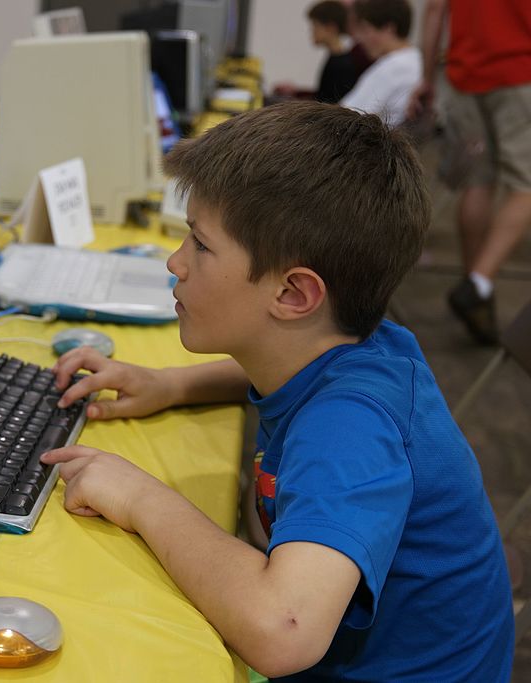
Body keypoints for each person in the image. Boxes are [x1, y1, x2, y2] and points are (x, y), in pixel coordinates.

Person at [42, 102, 513, 680]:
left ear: (293, 295)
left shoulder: (349, 428)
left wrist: (144, 498)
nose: (175, 262)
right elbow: (289, 376)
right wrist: (171, 384)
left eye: (201, 245)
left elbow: (282, 631)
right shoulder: (362, 346)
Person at [409, 0, 531, 344]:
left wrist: (426, 75)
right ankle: (478, 284)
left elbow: (434, 9)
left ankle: (478, 295)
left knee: (477, 184)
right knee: (526, 186)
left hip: (464, 74)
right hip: (522, 71)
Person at [339, 0, 420, 127]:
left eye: (366, 30)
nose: (361, 38)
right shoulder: (416, 59)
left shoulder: (394, 67)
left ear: (389, 29)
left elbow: (345, 116)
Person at [272, 1, 360, 104]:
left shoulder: (342, 65)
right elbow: (324, 95)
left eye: (315, 26)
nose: (311, 32)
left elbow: (330, 104)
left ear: (330, 28)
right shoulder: (336, 58)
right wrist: (296, 92)